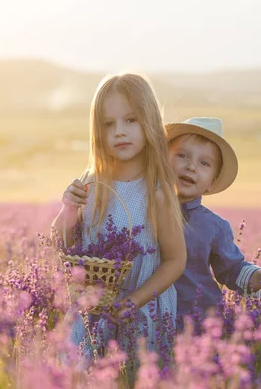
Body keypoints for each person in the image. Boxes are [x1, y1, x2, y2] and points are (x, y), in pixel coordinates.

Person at [52, 73, 186, 365]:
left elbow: (176, 260)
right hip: (91, 311)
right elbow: (60, 240)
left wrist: (133, 302)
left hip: (141, 312)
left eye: (130, 120)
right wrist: (69, 208)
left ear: (149, 121)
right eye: (108, 124)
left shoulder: (156, 193)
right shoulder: (92, 183)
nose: (119, 132)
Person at [165, 117, 261, 330]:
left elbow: (231, 269)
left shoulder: (214, 226)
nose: (191, 166)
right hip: (149, 321)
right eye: (182, 155)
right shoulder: (142, 212)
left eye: (204, 163)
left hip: (199, 321)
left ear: (212, 181)